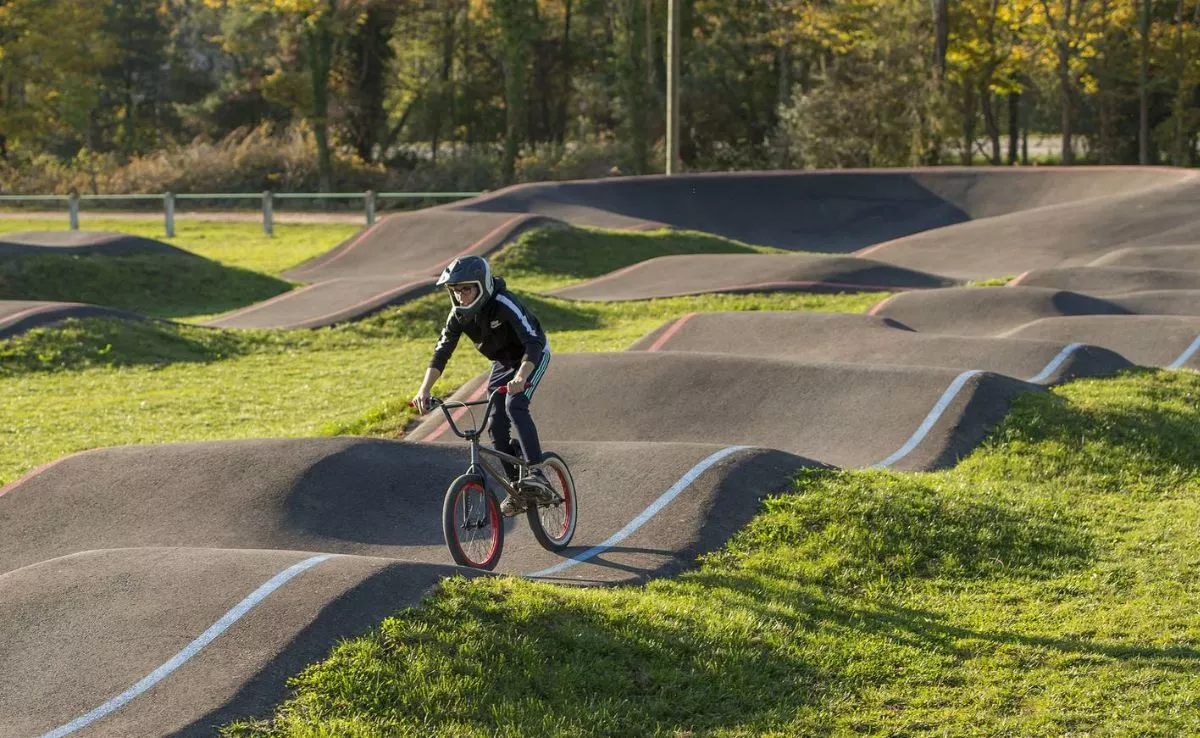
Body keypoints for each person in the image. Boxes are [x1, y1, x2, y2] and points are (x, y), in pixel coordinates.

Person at [412, 255, 554, 516]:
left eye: (466, 289)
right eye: (455, 291)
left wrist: (521, 376)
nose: (461, 296)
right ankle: (517, 487)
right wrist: (425, 389)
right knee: (495, 424)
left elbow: (533, 341)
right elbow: (442, 351)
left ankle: (536, 472)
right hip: (502, 364)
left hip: (531, 356)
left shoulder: (502, 303)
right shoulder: (458, 316)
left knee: (515, 404)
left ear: (482, 285)